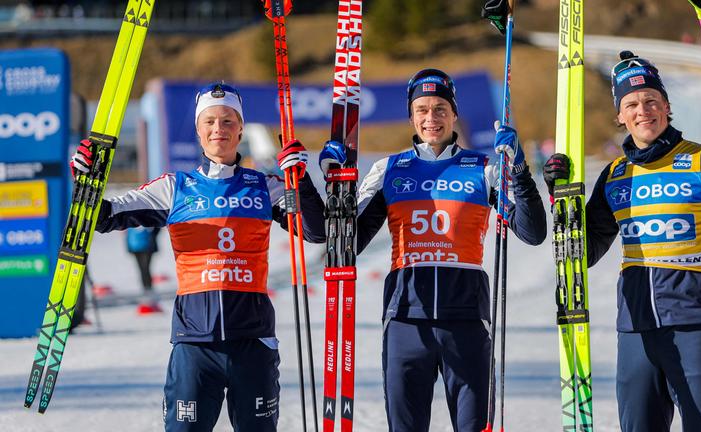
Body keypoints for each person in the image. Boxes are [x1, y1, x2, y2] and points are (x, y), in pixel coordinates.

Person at [70, 82, 326, 432]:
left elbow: (316, 231)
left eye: (227, 121)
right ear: (198, 130)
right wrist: (87, 179)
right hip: (194, 346)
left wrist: (302, 181)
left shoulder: (265, 186)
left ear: (240, 129)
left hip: (252, 342)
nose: (218, 129)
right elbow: (102, 217)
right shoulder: (175, 187)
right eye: (209, 122)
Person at [542, 51, 701, 432]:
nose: (642, 110)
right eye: (631, 103)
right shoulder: (615, 175)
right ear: (620, 115)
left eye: (651, 101)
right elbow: (585, 254)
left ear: (666, 106)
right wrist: (561, 200)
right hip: (635, 331)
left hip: (695, 324)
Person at [319, 68, 547, 431]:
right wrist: (338, 186)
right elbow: (343, 249)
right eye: (422, 109)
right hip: (406, 322)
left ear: (454, 114)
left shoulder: (483, 168)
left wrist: (518, 168)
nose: (431, 118)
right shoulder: (388, 170)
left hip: (467, 322)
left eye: (440, 108)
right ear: (411, 116)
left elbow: (532, 232)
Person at [126, 226, 163, 314]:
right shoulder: (131, 216)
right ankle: (147, 291)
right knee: (143, 270)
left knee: (145, 270)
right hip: (136, 245)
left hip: (146, 245)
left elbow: (158, 227)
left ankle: (148, 292)